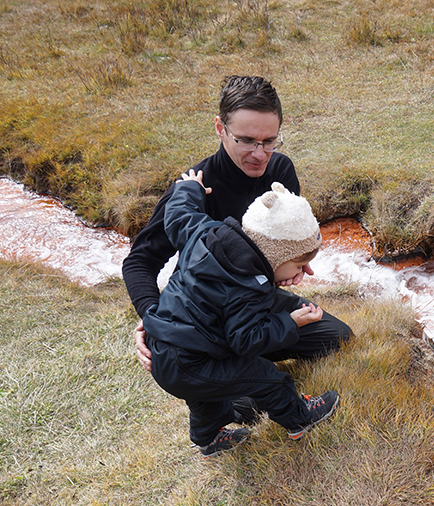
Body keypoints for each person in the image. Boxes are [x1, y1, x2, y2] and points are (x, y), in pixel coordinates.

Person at [122, 75, 351, 423]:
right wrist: (154, 319)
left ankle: (236, 372)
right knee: (247, 387)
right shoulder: (193, 187)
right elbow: (139, 262)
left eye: (269, 140)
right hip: (202, 315)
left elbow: (285, 245)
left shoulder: (280, 170)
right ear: (220, 128)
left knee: (335, 336)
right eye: (246, 140)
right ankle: (229, 385)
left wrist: (292, 267)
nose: (260, 154)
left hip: (250, 301)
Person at [144, 170, 340, 455]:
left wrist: (190, 188)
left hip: (166, 349)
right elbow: (246, 340)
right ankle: (299, 420)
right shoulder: (249, 285)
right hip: (190, 361)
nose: (303, 273)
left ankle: (208, 440)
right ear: (276, 255)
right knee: (269, 378)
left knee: (204, 399)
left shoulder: (206, 231)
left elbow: (178, 215)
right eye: (299, 265)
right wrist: (289, 323)